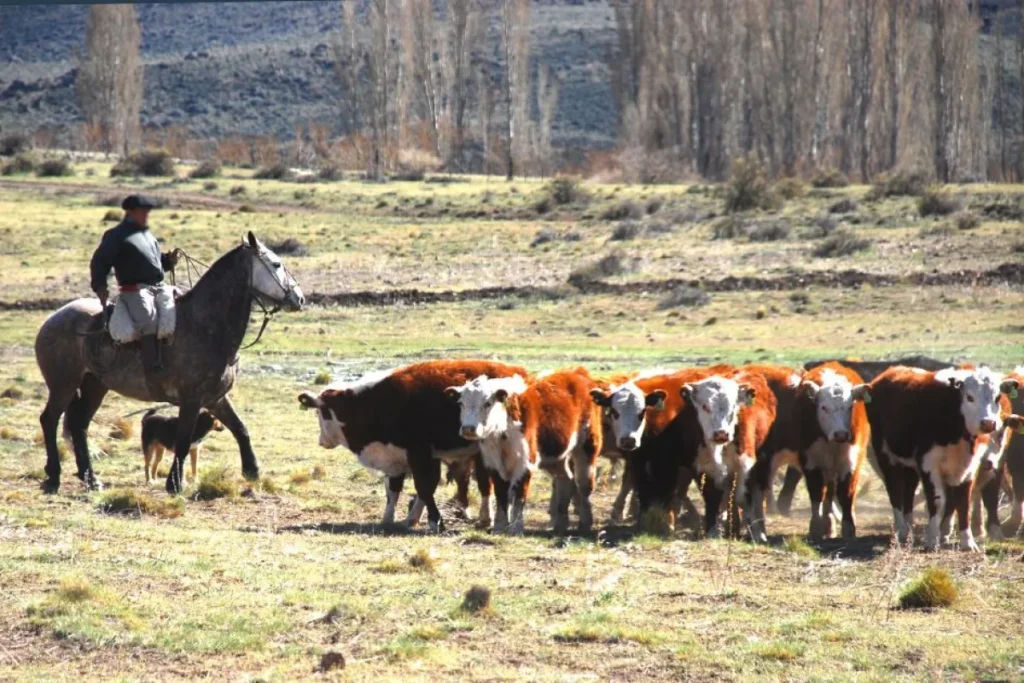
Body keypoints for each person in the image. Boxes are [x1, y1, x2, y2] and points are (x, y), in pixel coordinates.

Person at [90, 195, 180, 376]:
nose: (146, 215)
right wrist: (100, 285)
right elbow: (100, 261)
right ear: (129, 212)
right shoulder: (115, 235)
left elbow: (155, 263)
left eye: (148, 212)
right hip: (134, 290)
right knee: (149, 321)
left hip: (158, 287)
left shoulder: (146, 236)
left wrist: (168, 261)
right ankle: (152, 369)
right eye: (143, 211)